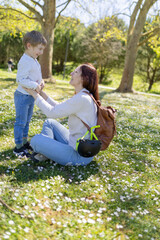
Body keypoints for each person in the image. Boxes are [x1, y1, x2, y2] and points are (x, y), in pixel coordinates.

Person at [24, 63, 100, 166]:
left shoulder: (82, 98)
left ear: (83, 78)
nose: (71, 73)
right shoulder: (85, 95)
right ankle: (48, 152)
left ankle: (47, 151)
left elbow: (51, 112)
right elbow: (58, 107)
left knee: (35, 140)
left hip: (78, 155)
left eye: (75, 72)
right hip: (74, 143)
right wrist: (41, 93)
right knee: (49, 123)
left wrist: (34, 94)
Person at [13, 30, 47, 157]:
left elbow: (36, 75)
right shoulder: (25, 60)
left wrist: (41, 82)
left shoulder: (33, 59)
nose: (41, 52)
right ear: (29, 45)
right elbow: (20, 79)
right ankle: (18, 147)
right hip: (22, 96)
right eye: (39, 49)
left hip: (30, 96)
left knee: (27, 121)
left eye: (42, 49)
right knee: (21, 122)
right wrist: (35, 85)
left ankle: (24, 142)